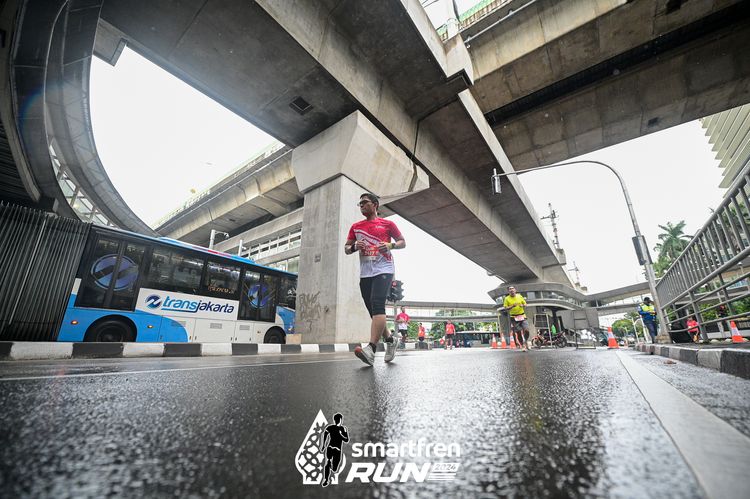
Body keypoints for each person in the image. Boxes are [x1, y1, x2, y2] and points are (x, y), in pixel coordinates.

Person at [345, 193, 406, 366]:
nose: (361, 205)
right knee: (373, 311)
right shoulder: (356, 227)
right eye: (360, 204)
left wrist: (390, 245)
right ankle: (390, 340)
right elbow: (346, 248)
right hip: (366, 273)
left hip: (384, 269)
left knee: (377, 304)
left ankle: (371, 349)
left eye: (364, 202)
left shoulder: (388, 224)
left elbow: (402, 242)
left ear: (375, 204)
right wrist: (354, 246)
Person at [321, 413, 349, 487]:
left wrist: (341, 435)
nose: (338, 421)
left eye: (338, 420)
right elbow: (325, 434)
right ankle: (326, 479)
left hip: (337, 450)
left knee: (335, 469)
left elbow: (346, 440)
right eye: (337, 420)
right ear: (335, 420)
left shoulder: (343, 429)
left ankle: (331, 467)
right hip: (331, 448)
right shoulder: (331, 427)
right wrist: (323, 445)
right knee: (328, 462)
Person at [503, 286, 529, 351]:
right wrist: (512, 306)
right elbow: (505, 308)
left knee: (526, 330)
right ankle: (522, 345)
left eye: (513, 289)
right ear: (508, 291)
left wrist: (522, 305)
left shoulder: (519, 296)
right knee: (518, 332)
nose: (511, 290)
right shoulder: (507, 298)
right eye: (510, 289)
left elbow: (525, 304)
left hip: (522, 315)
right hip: (514, 317)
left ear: (515, 290)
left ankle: (525, 341)